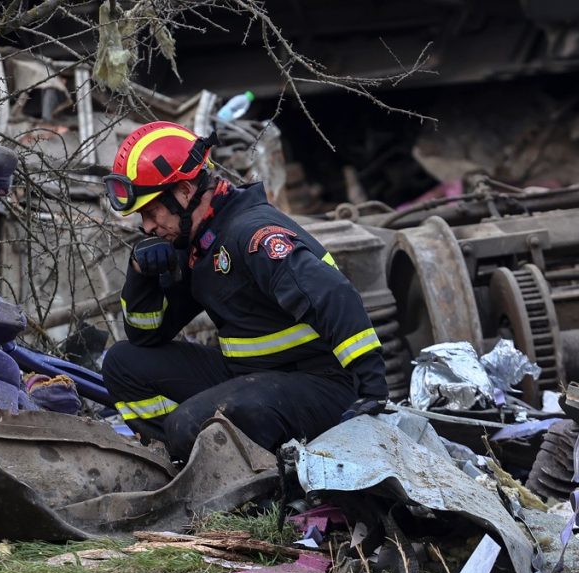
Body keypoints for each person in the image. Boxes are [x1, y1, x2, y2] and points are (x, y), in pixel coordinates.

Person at [102, 121, 388, 463]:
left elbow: (335, 295)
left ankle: (252, 473)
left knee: (189, 425)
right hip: (251, 375)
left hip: (321, 383)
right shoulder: (200, 242)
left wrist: (371, 390)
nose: (147, 226)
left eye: (151, 212)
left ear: (184, 191)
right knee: (122, 363)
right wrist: (141, 275)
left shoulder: (252, 234)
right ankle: (183, 460)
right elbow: (146, 335)